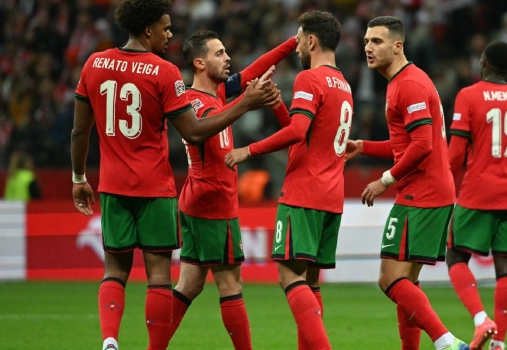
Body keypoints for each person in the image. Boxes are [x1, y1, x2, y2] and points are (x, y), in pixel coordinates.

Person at [70, 1, 279, 350]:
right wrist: (244, 104)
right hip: (155, 188)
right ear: (148, 28)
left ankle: (109, 340)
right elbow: (195, 132)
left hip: (112, 186)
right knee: (159, 278)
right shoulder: (164, 72)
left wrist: (79, 178)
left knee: (116, 271)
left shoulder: (94, 63)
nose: (170, 35)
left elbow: (79, 132)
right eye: (165, 28)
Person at [225, 10, 352, 350]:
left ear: (311, 41)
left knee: (288, 276)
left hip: (303, 193)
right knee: (310, 284)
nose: (296, 48)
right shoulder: (343, 84)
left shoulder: (310, 79)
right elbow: (306, 137)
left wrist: (247, 151)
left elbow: (297, 132)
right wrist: (278, 105)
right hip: (331, 195)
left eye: (297, 41)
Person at [345, 16, 469, 350]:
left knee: (389, 279)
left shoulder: (409, 84)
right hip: (432, 190)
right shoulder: (401, 82)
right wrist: (364, 147)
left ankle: (446, 342)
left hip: (421, 193)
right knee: (406, 282)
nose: (368, 48)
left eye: (378, 42)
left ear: (398, 46)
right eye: (367, 41)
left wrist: (385, 179)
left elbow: (423, 145)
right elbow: (407, 143)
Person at [169, 30, 296, 349]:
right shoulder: (194, 100)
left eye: (226, 51)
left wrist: (293, 42)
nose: (227, 58)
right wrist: (247, 103)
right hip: (212, 199)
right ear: (199, 63)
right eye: (219, 53)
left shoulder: (217, 93)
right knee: (230, 282)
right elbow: (204, 128)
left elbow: (253, 71)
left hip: (198, 197)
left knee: (190, 283)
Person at [445, 41, 507, 350]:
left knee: (455, 255)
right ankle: (499, 343)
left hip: (478, 190)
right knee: (506, 268)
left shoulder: (469, 95)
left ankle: (480, 320)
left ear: (483, 63)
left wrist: (446, 190)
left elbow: (456, 154)